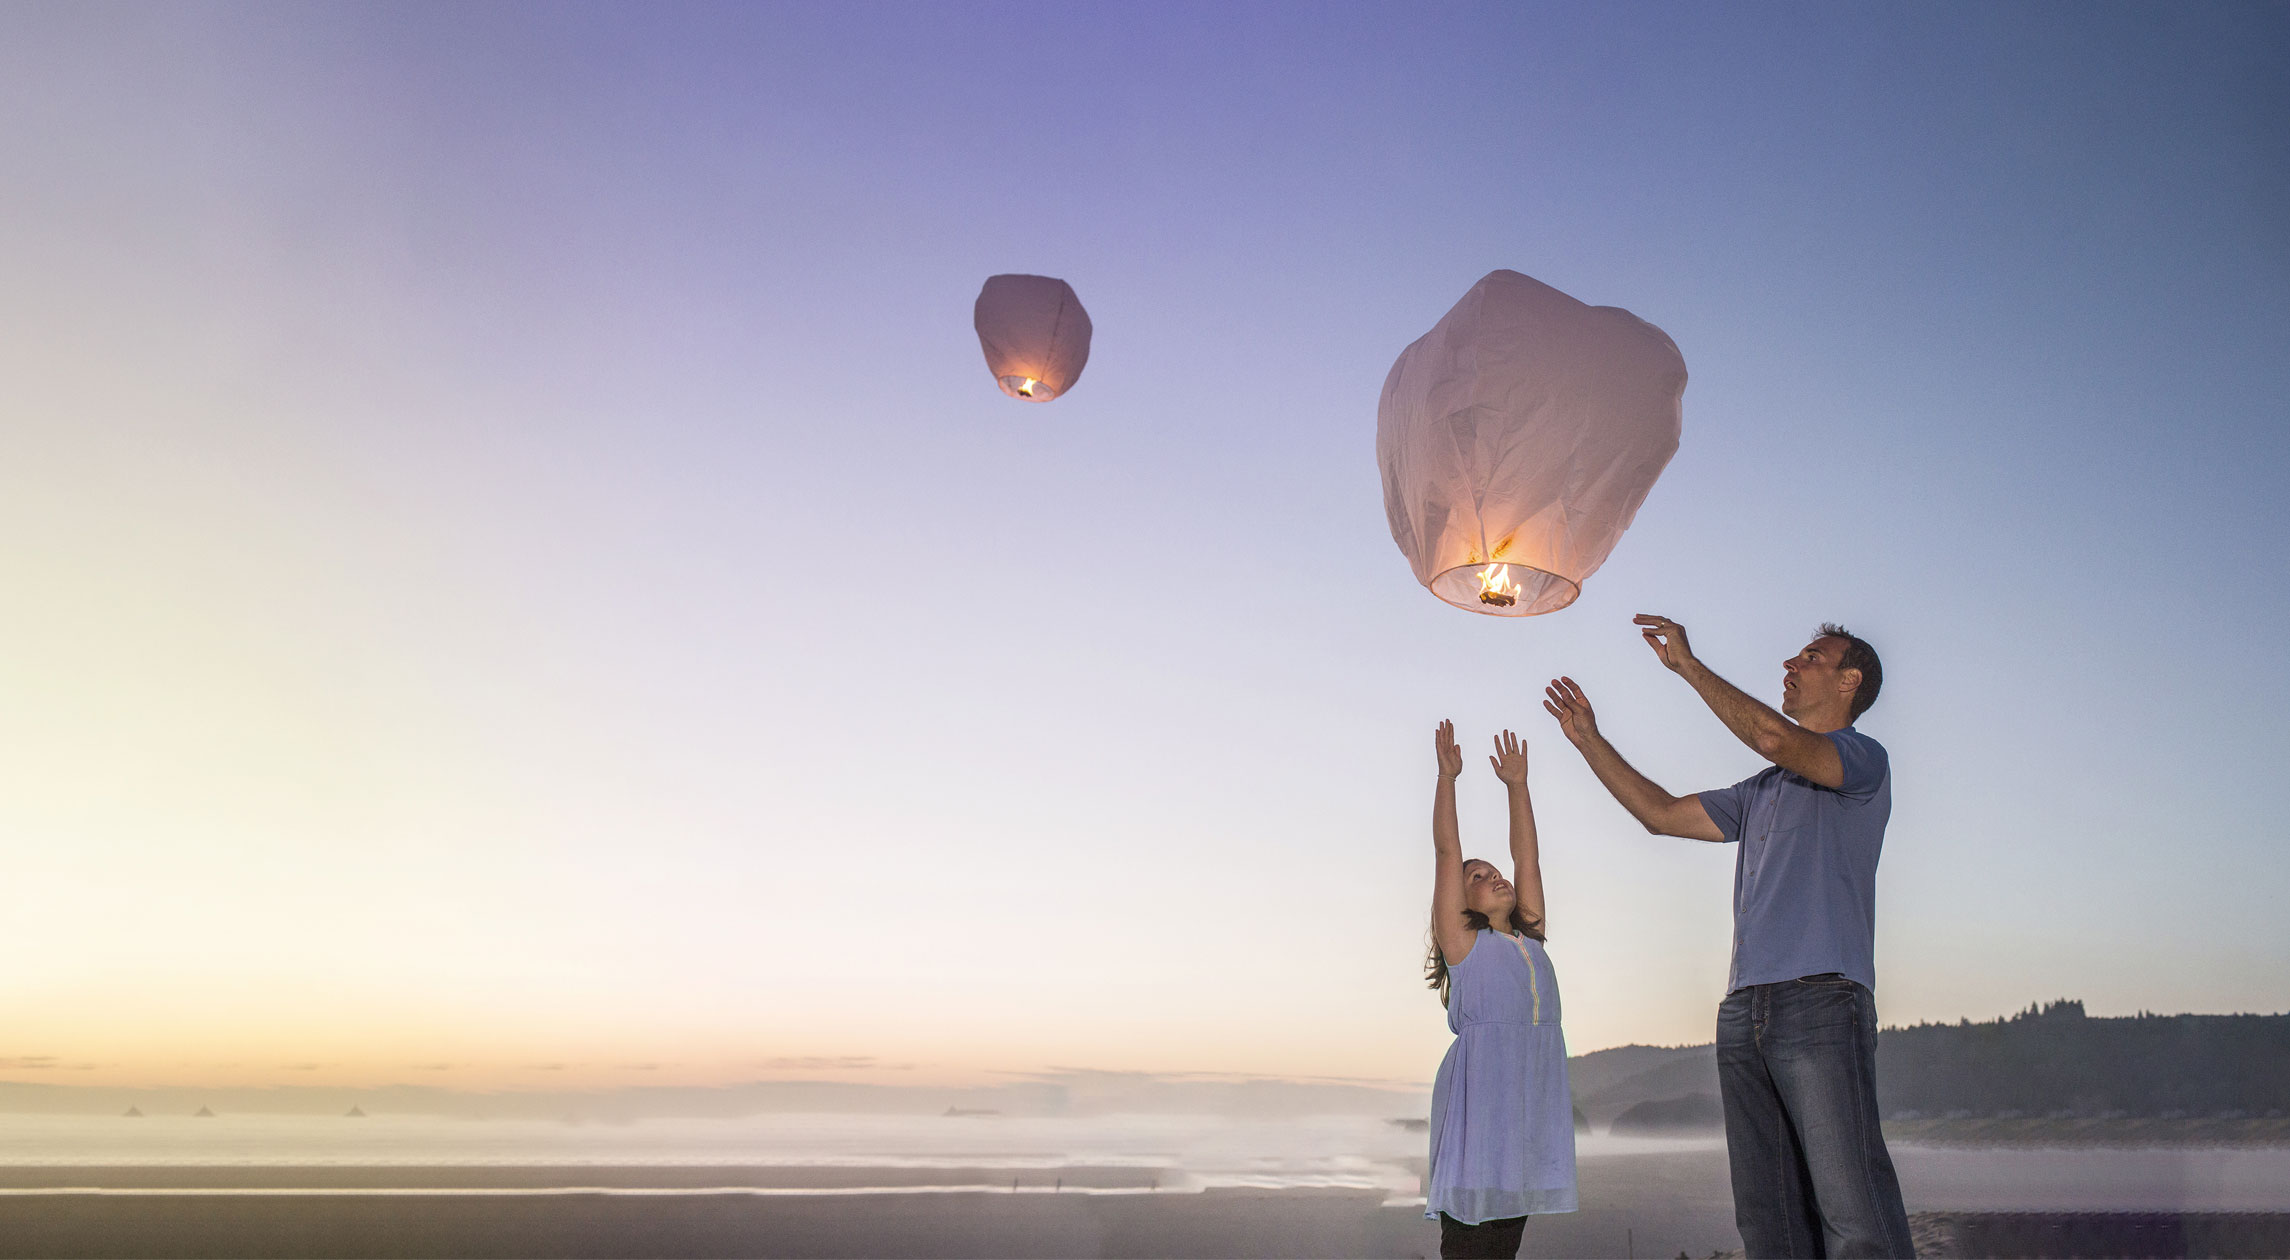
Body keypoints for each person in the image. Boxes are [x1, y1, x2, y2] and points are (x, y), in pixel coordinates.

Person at [1542, 617, 1913, 1259]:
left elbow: (1773, 736)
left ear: (1850, 681)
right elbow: (1659, 815)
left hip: (1822, 1002)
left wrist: (1687, 665)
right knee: (1768, 1220)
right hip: (1744, 1013)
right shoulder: (1762, 791)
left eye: (1812, 656)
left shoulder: (1862, 760)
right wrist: (1587, 740)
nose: (1791, 662)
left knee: (1855, 1216)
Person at [1422, 720, 1578, 1259]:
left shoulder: (1531, 938)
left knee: (1505, 1242)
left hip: (1527, 1105)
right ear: (1461, 904)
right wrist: (1448, 778)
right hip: (1482, 1107)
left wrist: (1518, 786)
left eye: (1493, 871)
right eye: (1479, 877)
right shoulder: (1465, 944)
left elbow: (1527, 858)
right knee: (1469, 1243)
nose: (1495, 877)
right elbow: (1447, 854)